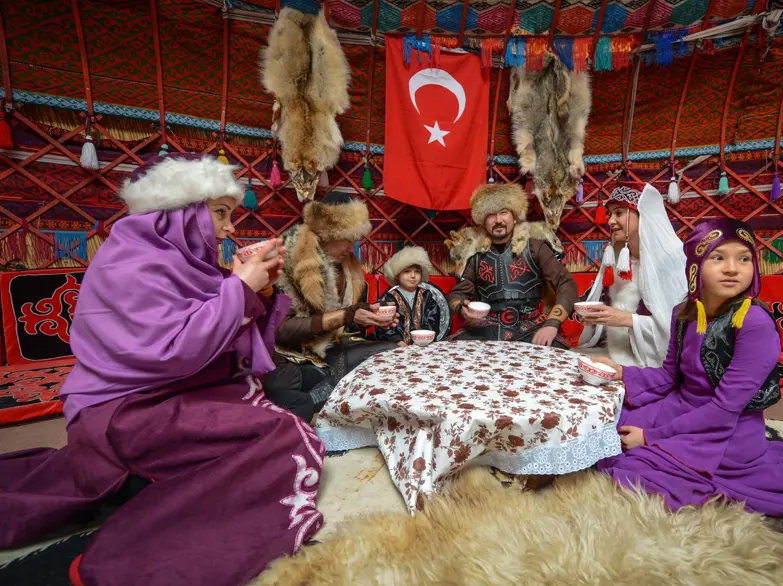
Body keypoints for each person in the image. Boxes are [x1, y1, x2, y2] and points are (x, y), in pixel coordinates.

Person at [0, 153, 326, 586]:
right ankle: (128, 558)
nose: (230, 229)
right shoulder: (130, 263)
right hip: (124, 414)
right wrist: (239, 288)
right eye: (221, 213)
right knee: (288, 436)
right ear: (181, 212)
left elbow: (223, 345)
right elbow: (174, 350)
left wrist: (253, 292)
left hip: (161, 400)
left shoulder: (176, 262)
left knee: (286, 401)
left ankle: (141, 486)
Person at [592, 219, 783, 532]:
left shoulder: (754, 324)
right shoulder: (684, 313)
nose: (732, 268)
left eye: (743, 259)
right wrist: (623, 372)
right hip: (684, 409)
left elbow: (724, 409)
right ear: (695, 267)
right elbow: (668, 376)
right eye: (718, 258)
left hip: (726, 433)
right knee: (607, 426)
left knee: (634, 471)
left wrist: (651, 438)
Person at [270, 191, 399, 418]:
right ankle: (330, 389)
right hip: (292, 355)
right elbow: (281, 330)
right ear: (328, 233)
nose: (352, 249)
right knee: (280, 381)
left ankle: (317, 396)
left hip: (330, 351)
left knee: (394, 352)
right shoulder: (287, 260)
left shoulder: (346, 266)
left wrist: (373, 319)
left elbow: (346, 324)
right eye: (348, 240)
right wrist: (345, 316)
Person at [446, 182, 577, 347]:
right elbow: (456, 295)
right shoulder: (476, 255)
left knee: (557, 358)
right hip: (488, 325)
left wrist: (552, 323)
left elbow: (566, 283)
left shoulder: (535, 246)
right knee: (453, 352)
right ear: (483, 221)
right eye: (491, 215)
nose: (498, 220)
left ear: (514, 217)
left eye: (504, 213)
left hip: (532, 326)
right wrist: (461, 308)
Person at [576, 183, 687, 367]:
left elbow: (679, 328)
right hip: (618, 351)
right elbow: (615, 310)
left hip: (657, 364)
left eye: (619, 213)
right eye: (609, 214)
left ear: (643, 215)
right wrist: (596, 319)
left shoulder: (670, 258)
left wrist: (627, 320)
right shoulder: (619, 256)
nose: (610, 221)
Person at [372, 246, 452, 345]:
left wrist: (422, 340)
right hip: (395, 346)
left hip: (423, 345)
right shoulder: (390, 297)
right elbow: (384, 324)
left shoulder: (427, 295)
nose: (413, 276)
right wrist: (397, 341)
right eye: (407, 271)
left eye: (417, 272)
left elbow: (433, 320)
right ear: (397, 274)